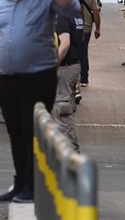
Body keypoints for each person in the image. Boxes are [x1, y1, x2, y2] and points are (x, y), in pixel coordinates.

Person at [0, 0, 80, 204]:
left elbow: (72, 7)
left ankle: (34, 185)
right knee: (15, 132)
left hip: (39, 78)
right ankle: (21, 182)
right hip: (9, 79)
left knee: (31, 132)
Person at [53, 10, 83, 151]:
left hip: (65, 67)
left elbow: (65, 43)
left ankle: (70, 148)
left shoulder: (60, 16)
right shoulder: (75, 14)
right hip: (73, 64)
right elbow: (81, 38)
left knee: (62, 109)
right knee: (66, 106)